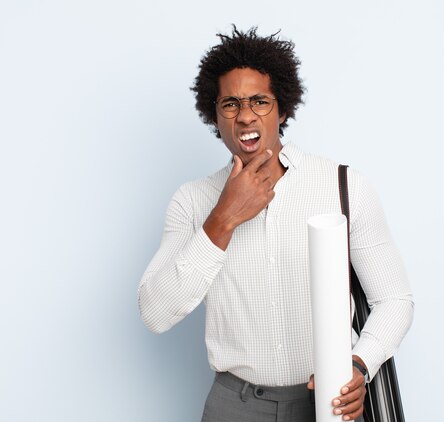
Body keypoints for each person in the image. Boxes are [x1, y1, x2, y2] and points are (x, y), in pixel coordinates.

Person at [138, 26, 414, 422]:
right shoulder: (193, 201)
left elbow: (395, 300)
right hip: (235, 407)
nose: (245, 115)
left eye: (259, 101)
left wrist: (359, 365)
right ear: (214, 116)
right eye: (230, 104)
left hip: (331, 402)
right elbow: (155, 312)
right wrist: (224, 217)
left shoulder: (344, 186)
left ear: (282, 108)